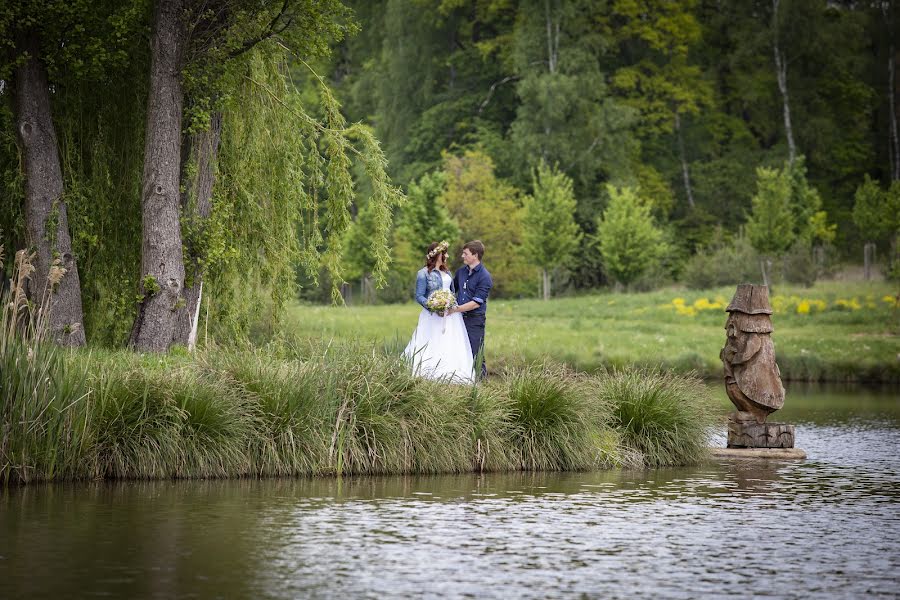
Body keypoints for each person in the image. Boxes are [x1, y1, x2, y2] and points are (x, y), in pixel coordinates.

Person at [402, 241, 474, 383]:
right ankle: (428, 372)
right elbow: (419, 296)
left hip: (450, 315)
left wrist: (451, 305)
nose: (447, 255)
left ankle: (450, 372)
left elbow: (452, 292)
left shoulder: (447, 272)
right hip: (432, 315)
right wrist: (433, 306)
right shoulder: (423, 274)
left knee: (450, 341)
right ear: (437, 255)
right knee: (430, 340)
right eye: (445, 253)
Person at [448, 240, 493, 379]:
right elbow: (451, 290)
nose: (462, 256)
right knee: (458, 349)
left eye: (465, 253)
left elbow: (476, 303)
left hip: (475, 319)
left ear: (475, 255)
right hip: (458, 319)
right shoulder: (461, 272)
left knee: (476, 352)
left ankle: (481, 383)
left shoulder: (485, 276)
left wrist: (456, 309)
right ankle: (462, 379)